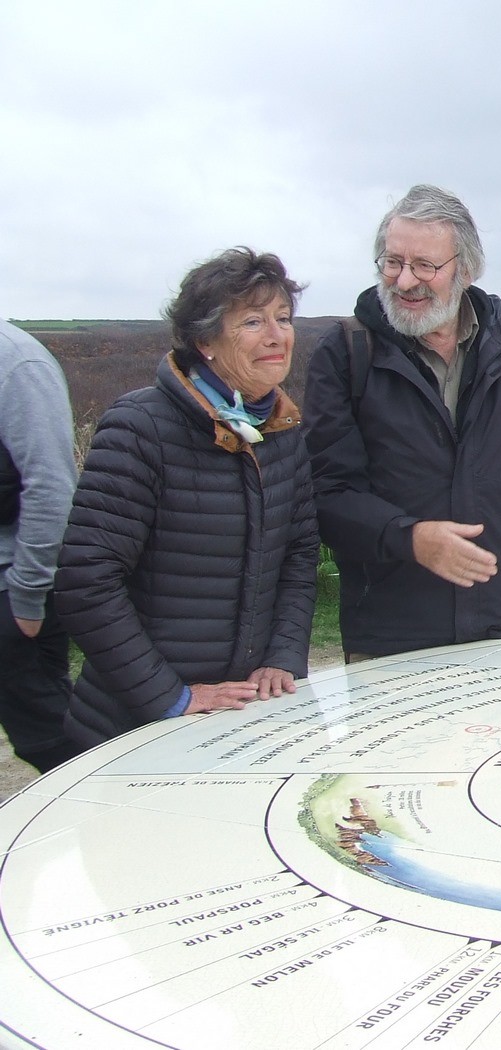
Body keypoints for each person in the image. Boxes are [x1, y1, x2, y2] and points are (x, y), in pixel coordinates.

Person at [55, 249, 321, 748]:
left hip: (244, 716)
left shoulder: (281, 429)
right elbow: (86, 581)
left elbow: (300, 554)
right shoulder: (140, 428)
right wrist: (170, 697)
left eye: (283, 319)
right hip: (135, 724)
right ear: (205, 340)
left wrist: (281, 658)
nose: (276, 335)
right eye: (252, 321)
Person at [303, 184, 501, 659]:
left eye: (425, 266)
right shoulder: (347, 353)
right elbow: (326, 495)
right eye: (392, 262)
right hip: (392, 640)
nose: (405, 281)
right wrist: (410, 538)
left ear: (466, 270)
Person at [0, 321, 82, 772]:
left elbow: (51, 487)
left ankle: (127, 831)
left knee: (52, 741)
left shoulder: (16, 362)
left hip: (11, 587)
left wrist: (26, 601)